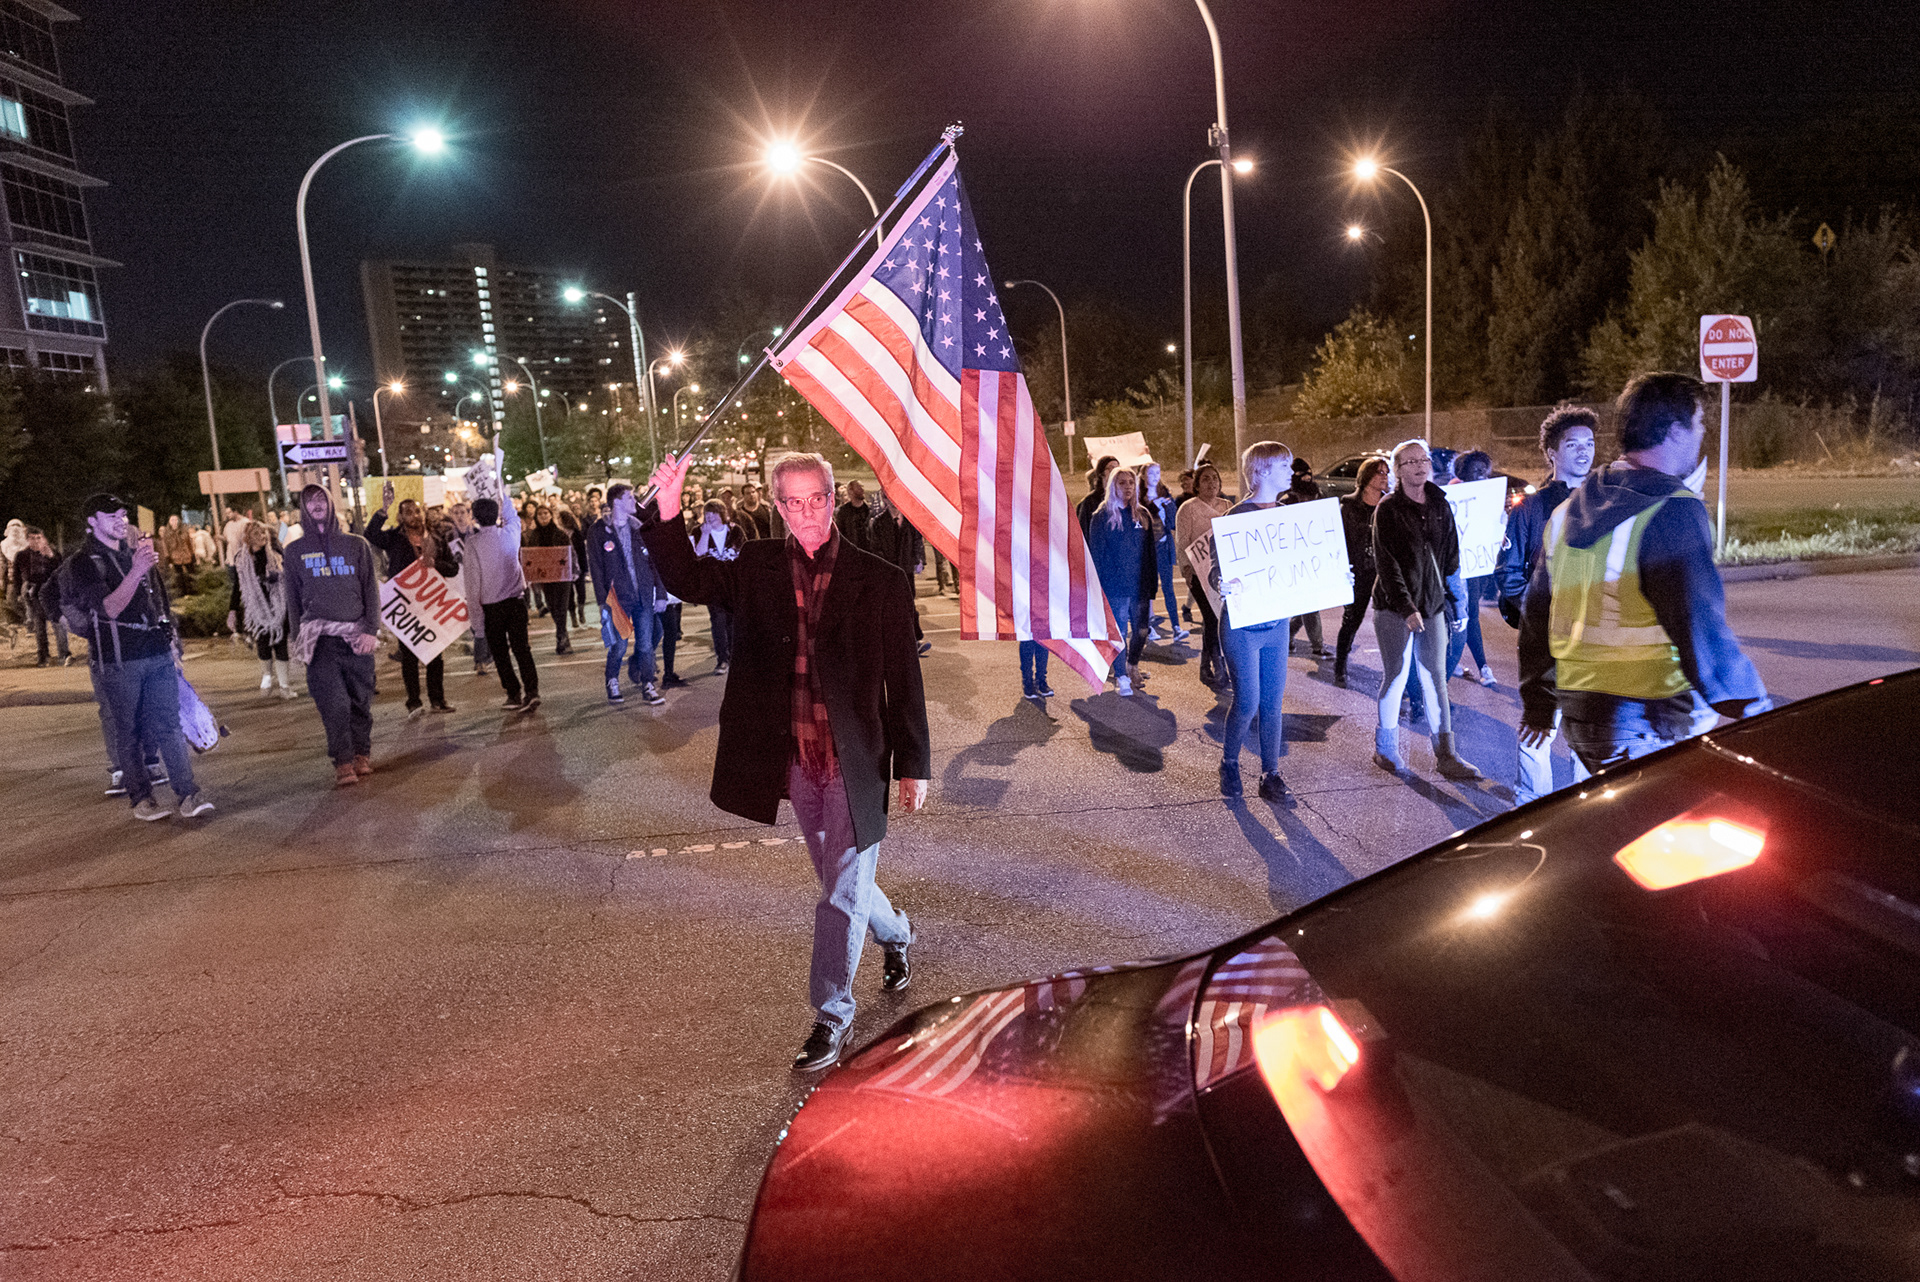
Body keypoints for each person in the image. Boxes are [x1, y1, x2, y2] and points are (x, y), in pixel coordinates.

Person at [643, 450, 930, 1074]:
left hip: (854, 759)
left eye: (816, 498)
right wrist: (667, 509)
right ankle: (898, 933)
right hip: (796, 757)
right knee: (841, 883)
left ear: (832, 497)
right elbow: (688, 580)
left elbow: (905, 678)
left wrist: (914, 763)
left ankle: (832, 1013)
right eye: (793, 502)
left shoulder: (879, 578)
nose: (806, 513)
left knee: (841, 892)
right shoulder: (757, 565)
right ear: (778, 506)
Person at [1520, 373, 1770, 773]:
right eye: (1699, 423)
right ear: (1675, 431)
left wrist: (1538, 703)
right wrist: (1754, 706)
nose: (1702, 434)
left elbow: (1536, 617)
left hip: (1583, 715)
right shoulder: (1673, 508)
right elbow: (1699, 624)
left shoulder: (1567, 511)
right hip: (1646, 715)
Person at [56, 494, 213, 820]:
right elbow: (110, 608)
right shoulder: (84, 563)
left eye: (122, 514)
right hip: (118, 659)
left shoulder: (134, 554)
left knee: (169, 725)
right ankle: (142, 800)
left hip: (156, 652)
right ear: (92, 521)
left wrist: (172, 642)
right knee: (129, 731)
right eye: (111, 515)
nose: (120, 519)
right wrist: (137, 570)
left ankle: (188, 794)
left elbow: (158, 606)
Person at [1495, 404, 1597, 803]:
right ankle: (1531, 810)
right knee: (1538, 730)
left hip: (1595, 641)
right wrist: (1541, 617)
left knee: (1588, 735)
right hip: (1547, 644)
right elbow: (1508, 574)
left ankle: (1588, 812)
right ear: (1551, 453)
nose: (1584, 451)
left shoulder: (1606, 503)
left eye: (1589, 443)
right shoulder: (1531, 508)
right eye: (1573, 444)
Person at [1370, 440, 1484, 780]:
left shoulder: (1439, 504)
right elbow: (1386, 564)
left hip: (1432, 606)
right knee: (1396, 675)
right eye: (1410, 462)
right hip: (1394, 609)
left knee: (1436, 679)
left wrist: (1456, 600)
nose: (1420, 466)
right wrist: (1406, 607)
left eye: (1424, 460)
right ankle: (1385, 749)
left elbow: (1451, 557)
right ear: (1397, 470)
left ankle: (1447, 755)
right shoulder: (1388, 509)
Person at [1213, 442, 1298, 800]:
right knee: (1247, 702)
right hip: (1243, 628)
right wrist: (1221, 581)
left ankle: (1270, 774)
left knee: (1272, 705)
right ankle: (1230, 763)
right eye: (1284, 465)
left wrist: (1336, 577)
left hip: (1276, 625)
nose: (1291, 472)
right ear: (1261, 471)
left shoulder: (1290, 516)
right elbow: (1218, 567)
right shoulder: (1236, 518)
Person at [285, 485, 382, 786]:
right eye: (309, 501)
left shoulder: (356, 545)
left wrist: (371, 630)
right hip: (319, 641)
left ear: (329, 503)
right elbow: (292, 599)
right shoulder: (295, 551)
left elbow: (371, 589)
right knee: (334, 703)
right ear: (303, 508)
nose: (316, 505)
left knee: (359, 702)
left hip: (356, 636)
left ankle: (361, 754)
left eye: (321, 499)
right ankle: (343, 761)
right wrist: (296, 640)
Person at [366, 483, 458, 716]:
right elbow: (370, 535)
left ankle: (437, 699)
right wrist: (383, 509)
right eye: (408, 512)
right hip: (406, 604)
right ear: (400, 517)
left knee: (435, 654)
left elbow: (453, 568)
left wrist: (435, 564)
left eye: (417, 511)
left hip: (431, 603)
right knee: (409, 656)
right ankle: (414, 702)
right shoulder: (394, 538)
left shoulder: (437, 538)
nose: (414, 516)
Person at [586, 482, 664, 706]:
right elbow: (596, 567)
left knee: (646, 645)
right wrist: (602, 600)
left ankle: (648, 684)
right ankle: (612, 681)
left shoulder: (640, 528)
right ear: (617, 501)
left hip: (643, 595)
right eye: (630, 497)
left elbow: (655, 562)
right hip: (617, 598)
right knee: (619, 645)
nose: (634, 501)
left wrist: (660, 593)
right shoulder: (599, 531)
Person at [462, 492, 540, 713]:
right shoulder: (511, 533)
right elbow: (512, 516)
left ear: (475, 518)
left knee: (500, 653)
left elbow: (472, 584)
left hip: (492, 607)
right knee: (522, 649)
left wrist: (477, 624)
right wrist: (502, 494)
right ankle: (532, 691)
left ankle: (513, 693)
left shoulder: (473, 544)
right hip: (516, 601)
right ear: (496, 514)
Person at [1086, 466, 1157, 697]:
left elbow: (1150, 553)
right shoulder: (1101, 516)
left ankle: (1131, 664)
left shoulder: (1142, 515)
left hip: (1140, 585)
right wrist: (1098, 588)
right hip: (1115, 586)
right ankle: (1121, 676)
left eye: (1131, 482)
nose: (1127, 487)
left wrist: (1151, 584)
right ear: (1113, 486)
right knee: (1119, 632)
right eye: (1122, 482)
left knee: (1142, 630)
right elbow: (1096, 555)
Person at [1332, 456, 1390, 687]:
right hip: (1358, 573)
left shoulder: (1389, 505)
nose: (1385, 477)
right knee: (1351, 620)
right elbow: (1339, 542)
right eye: (1379, 472)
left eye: (1386, 472)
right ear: (1366, 477)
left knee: (1389, 624)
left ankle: (1395, 675)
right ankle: (1340, 667)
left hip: (1383, 574)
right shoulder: (1348, 507)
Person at [1174, 462, 1232, 687]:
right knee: (1211, 618)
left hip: (1222, 574)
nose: (1212, 483)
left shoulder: (1227, 506)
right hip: (1198, 574)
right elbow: (1182, 543)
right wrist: (1187, 571)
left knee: (1218, 619)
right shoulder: (1187, 509)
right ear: (1197, 485)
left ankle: (1206, 665)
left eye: (1215, 478)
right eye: (1206, 479)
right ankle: (1217, 666)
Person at [227, 521, 296, 700]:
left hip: (279, 605)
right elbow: (237, 587)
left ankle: (285, 686)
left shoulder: (276, 554)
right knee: (263, 643)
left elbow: (290, 577)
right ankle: (267, 677)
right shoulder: (242, 559)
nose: (262, 537)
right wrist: (232, 610)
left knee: (280, 643)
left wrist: (277, 577)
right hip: (257, 608)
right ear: (248, 538)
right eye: (257, 534)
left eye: (263, 533)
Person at [867, 489, 932, 656]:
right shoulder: (878, 522)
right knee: (890, 608)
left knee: (909, 605)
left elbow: (917, 542)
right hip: (889, 572)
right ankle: (893, 644)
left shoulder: (909, 520)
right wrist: (884, 569)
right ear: (885, 500)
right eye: (889, 498)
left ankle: (914, 640)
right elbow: (875, 548)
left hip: (906, 570)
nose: (894, 502)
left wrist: (918, 560)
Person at [1282, 458, 1332, 659]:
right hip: (1295, 559)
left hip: (1315, 556)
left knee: (1308, 603)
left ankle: (1288, 635)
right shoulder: (1287, 500)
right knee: (1310, 603)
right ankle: (1317, 646)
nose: (1307, 478)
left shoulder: (1318, 494)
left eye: (1309, 473)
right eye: (1302, 474)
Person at [692, 499, 745, 673]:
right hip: (713, 584)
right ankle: (722, 659)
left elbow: (744, 553)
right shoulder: (698, 531)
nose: (711, 517)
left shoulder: (735, 531)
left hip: (733, 583)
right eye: (707, 513)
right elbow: (698, 553)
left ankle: (734, 657)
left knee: (733, 621)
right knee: (717, 621)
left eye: (714, 513)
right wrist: (705, 534)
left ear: (722, 514)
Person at [1139, 463, 1188, 644]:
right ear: (1143, 475)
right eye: (1151, 473)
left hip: (1163, 546)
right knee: (1148, 589)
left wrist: (1169, 507)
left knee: (1168, 588)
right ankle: (1148, 626)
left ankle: (1176, 627)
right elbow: (1140, 520)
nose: (1155, 476)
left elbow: (1173, 522)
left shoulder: (1165, 493)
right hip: (1147, 550)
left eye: (1157, 473)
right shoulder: (1139, 497)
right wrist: (1153, 506)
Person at [444, 500, 493, 677]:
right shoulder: (447, 537)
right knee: (474, 624)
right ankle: (485, 655)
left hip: (480, 582)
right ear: (451, 515)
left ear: (469, 514)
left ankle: (481, 659)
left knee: (480, 622)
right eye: (456, 513)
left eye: (462, 512)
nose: (459, 516)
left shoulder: (479, 533)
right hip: (458, 583)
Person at [12, 526, 70, 666]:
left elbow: (62, 570)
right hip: (34, 592)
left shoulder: (52, 553)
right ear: (27, 539)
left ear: (43, 538)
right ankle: (43, 657)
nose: (36, 541)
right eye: (32, 538)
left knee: (58, 623)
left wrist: (52, 557)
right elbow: (16, 576)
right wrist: (18, 593)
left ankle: (64, 654)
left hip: (52, 592)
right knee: (39, 625)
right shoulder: (22, 555)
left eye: (39, 538)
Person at [525, 503, 576, 655]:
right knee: (553, 606)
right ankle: (563, 637)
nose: (543, 516)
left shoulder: (560, 533)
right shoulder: (533, 536)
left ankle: (561, 638)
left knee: (562, 607)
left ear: (550, 515)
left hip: (562, 576)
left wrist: (573, 570)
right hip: (545, 577)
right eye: (540, 514)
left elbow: (569, 553)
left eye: (545, 513)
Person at [1076, 455, 1119, 537]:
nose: (1115, 472)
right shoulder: (1089, 502)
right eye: (1111, 468)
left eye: (1117, 468)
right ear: (1101, 473)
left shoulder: (1122, 498)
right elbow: (1083, 530)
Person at [160, 514, 197, 598]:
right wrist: (168, 558)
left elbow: (189, 543)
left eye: (175, 520)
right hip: (175, 557)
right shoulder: (167, 533)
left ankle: (193, 590)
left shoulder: (184, 531)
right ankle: (182, 593)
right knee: (179, 576)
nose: (174, 522)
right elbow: (165, 547)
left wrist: (192, 554)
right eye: (172, 520)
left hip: (186, 555)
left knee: (191, 574)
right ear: (169, 522)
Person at [833, 479, 874, 555]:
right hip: (851, 552)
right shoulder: (844, 512)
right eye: (858, 487)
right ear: (851, 491)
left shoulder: (870, 510)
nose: (862, 490)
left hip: (869, 553)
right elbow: (840, 533)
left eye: (862, 487)